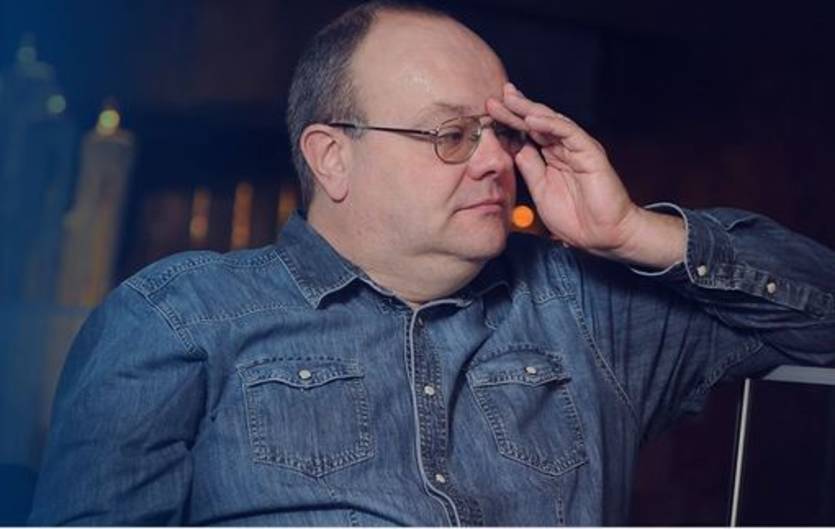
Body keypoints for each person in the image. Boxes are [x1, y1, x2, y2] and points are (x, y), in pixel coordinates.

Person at [29, 1, 835, 525]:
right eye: (451, 135)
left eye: (502, 133)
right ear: (332, 158)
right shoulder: (178, 315)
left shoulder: (589, 309)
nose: (495, 161)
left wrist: (632, 232)